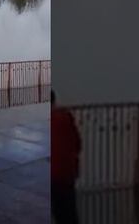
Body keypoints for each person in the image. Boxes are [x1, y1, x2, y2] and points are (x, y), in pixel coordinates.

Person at [51, 90, 81, 224]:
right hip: (67, 173)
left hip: (53, 175)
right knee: (69, 212)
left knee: (58, 212)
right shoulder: (65, 116)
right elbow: (77, 143)